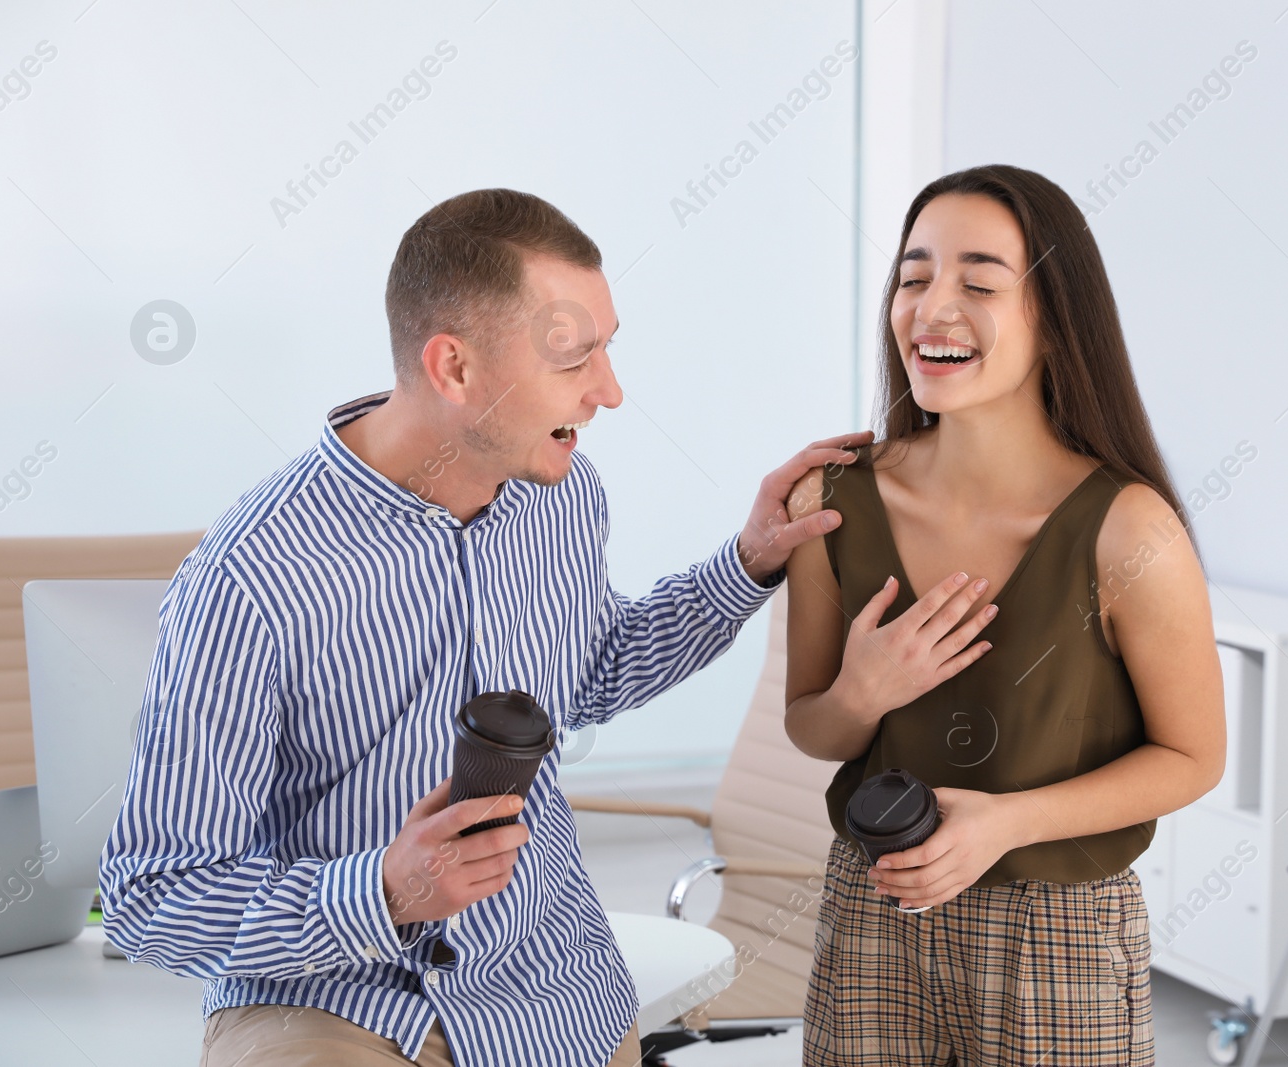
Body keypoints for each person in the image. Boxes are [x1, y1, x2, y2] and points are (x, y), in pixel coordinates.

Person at [98, 188, 870, 1067]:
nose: (610, 393)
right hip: (334, 1000)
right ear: (454, 368)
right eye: (574, 357)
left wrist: (747, 562)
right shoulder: (252, 578)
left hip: (546, 993)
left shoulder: (563, 493)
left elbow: (593, 670)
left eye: (607, 350)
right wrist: (382, 892)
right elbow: (151, 894)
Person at [782, 164, 1226, 1066]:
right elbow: (813, 728)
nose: (930, 307)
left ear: (1056, 321)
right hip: (875, 910)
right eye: (913, 278)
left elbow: (1193, 757)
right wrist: (864, 692)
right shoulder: (827, 501)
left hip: (1056, 930)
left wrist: (1006, 821)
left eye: (979, 282)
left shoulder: (1129, 529)